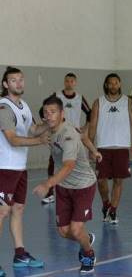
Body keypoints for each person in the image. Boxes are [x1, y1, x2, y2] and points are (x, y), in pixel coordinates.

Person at [33, 96, 97, 274]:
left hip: (83, 185)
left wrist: (48, 184)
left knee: (76, 230)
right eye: (46, 113)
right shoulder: (50, 129)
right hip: (64, 186)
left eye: (53, 112)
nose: (49, 115)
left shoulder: (67, 135)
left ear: (62, 114)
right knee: (63, 231)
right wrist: (94, 151)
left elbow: (69, 165)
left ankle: (88, 254)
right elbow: (33, 131)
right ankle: (85, 238)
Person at [0, 67, 47, 275]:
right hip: (4, 168)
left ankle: (20, 254)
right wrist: (38, 141)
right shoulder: (4, 108)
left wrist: (51, 122)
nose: (18, 83)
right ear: (5, 84)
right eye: (13, 80)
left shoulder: (24, 106)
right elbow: (11, 138)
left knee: (18, 209)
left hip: (20, 168)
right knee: (2, 211)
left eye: (20, 79)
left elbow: (33, 129)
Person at [89, 73, 132, 224]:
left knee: (118, 180)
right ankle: (106, 204)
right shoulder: (98, 102)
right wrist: (91, 148)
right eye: (110, 83)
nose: (113, 86)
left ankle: (113, 211)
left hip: (122, 147)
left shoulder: (128, 102)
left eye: (115, 83)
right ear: (106, 85)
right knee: (101, 180)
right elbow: (92, 125)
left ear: (119, 84)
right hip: (103, 147)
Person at [42, 73, 92, 204]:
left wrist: (85, 128)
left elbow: (90, 113)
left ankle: (77, 188)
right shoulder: (57, 95)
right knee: (53, 162)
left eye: (72, 81)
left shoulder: (80, 98)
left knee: (72, 163)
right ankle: (50, 192)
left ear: (75, 83)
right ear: (64, 82)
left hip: (73, 135)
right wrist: (48, 123)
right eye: (67, 81)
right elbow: (44, 109)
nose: (69, 83)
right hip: (58, 134)